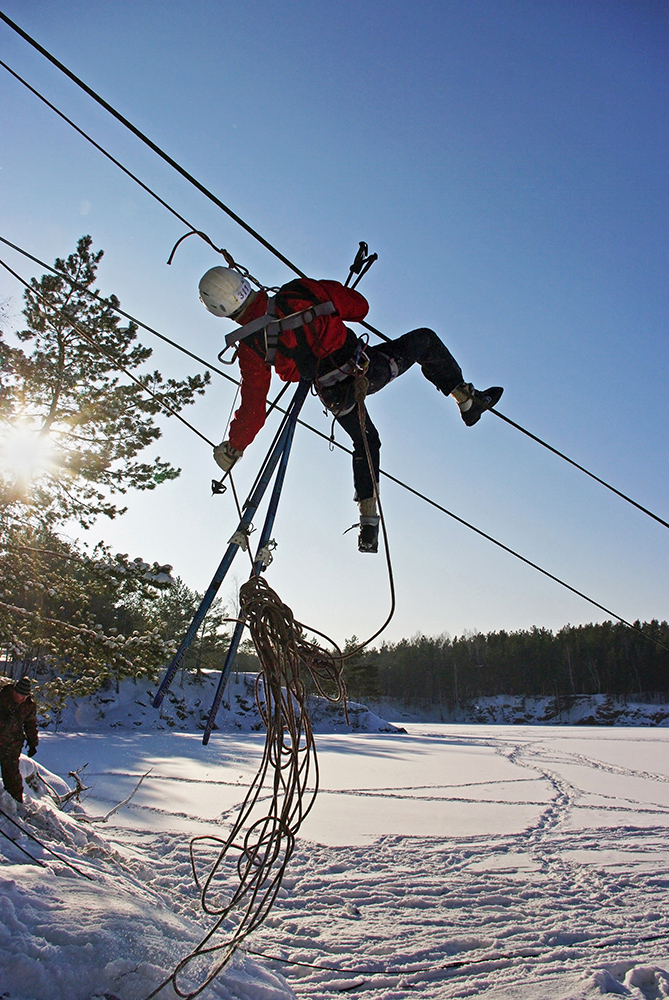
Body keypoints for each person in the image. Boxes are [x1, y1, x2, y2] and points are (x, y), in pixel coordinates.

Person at [199, 267, 503, 553]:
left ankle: (368, 523)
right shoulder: (300, 291)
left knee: (366, 441)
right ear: (243, 282)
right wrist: (326, 304)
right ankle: (465, 399)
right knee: (425, 341)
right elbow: (360, 307)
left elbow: (254, 407)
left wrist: (234, 447)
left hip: (335, 396)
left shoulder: (252, 346)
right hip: (367, 370)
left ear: (221, 312)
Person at [0, 676, 38, 803]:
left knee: (12, 777)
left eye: (25, 696)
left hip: (12, 745)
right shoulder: (2, 698)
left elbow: (30, 725)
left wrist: (33, 743)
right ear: (14, 691)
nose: (22, 699)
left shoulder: (28, 706)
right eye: (20, 695)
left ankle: (16, 803)